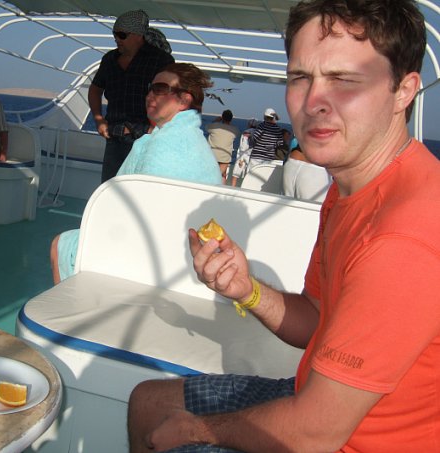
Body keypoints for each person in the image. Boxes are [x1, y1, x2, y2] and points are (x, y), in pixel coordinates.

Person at [127, 1, 440, 452]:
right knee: (148, 403)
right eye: (300, 78)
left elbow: (315, 432)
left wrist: (197, 430)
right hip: (309, 396)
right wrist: (246, 289)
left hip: (344, 438)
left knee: (174, 434)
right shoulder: (349, 188)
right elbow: (315, 319)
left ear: (403, 91)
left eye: (344, 79)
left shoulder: (405, 235)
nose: (313, 103)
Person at [51, 63, 221, 284]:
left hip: (153, 257)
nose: (150, 95)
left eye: (160, 89)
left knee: (62, 244)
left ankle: (71, 304)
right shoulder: (194, 143)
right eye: (150, 88)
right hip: (182, 254)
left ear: (184, 100)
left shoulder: (164, 145)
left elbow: (139, 212)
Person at [88, 10, 175, 183]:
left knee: (140, 190)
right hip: (114, 138)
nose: (116, 39)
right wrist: (98, 119)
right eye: (115, 34)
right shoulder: (109, 59)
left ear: (138, 35)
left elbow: (171, 97)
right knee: (110, 189)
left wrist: (157, 128)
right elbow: (95, 89)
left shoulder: (161, 60)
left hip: (146, 139)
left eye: (122, 35)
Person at [206, 109, 239, 182]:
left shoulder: (214, 126)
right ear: (231, 119)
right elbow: (236, 135)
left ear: (222, 117)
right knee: (223, 175)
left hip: (212, 155)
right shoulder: (234, 130)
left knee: (209, 174)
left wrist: (215, 121)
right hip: (225, 157)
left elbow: (207, 128)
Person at [230, 118, 257, 186]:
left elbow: (243, 147)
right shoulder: (257, 133)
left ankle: (232, 188)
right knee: (248, 176)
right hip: (251, 157)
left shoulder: (246, 133)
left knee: (235, 175)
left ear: (249, 125)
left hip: (242, 156)